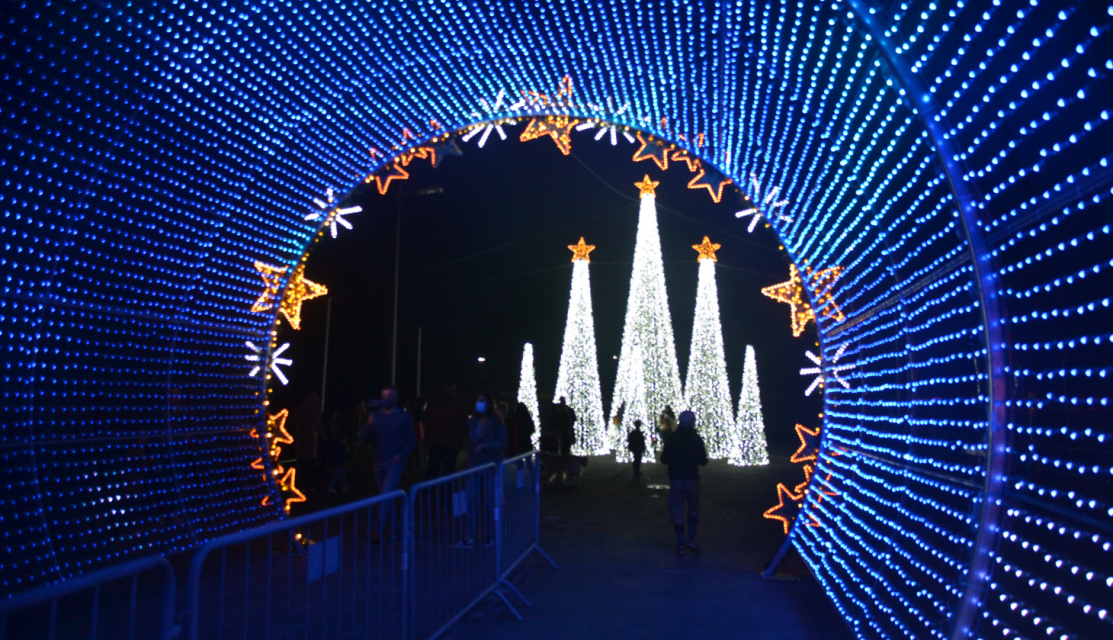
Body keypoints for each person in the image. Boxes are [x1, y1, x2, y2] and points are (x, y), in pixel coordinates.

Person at [454, 393, 507, 548]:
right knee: (471, 501)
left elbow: (501, 444)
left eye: (482, 400)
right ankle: (469, 536)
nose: (479, 403)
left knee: (490, 502)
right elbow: (470, 442)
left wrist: (485, 446)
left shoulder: (497, 423)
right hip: (474, 466)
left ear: (489, 403)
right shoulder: (473, 422)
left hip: (490, 466)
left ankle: (492, 534)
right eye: (477, 400)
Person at [660, 410, 708, 556]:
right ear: (692, 422)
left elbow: (664, 460)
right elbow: (703, 461)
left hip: (676, 478)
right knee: (693, 507)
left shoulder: (672, 438)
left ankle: (680, 543)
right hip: (692, 477)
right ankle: (691, 539)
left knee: (677, 508)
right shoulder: (696, 439)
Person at [359, 386, 416, 496]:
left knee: (386, 494)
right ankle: (392, 513)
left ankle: (383, 514)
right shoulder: (375, 416)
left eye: (389, 396)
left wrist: (401, 456)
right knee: (385, 495)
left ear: (395, 399)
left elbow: (411, 440)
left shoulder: (404, 417)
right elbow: (364, 437)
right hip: (378, 461)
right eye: (383, 396)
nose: (385, 399)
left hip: (393, 462)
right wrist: (369, 425)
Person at [422, 382, 469, 480]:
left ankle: (428, 493)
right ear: (452, 388)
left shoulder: (434, 402)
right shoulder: (457, 403)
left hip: (435, 442)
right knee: (449, 471)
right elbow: (464, 422)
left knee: (433, 469)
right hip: (452, 443)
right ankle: (446, 493)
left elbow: (426, 419)